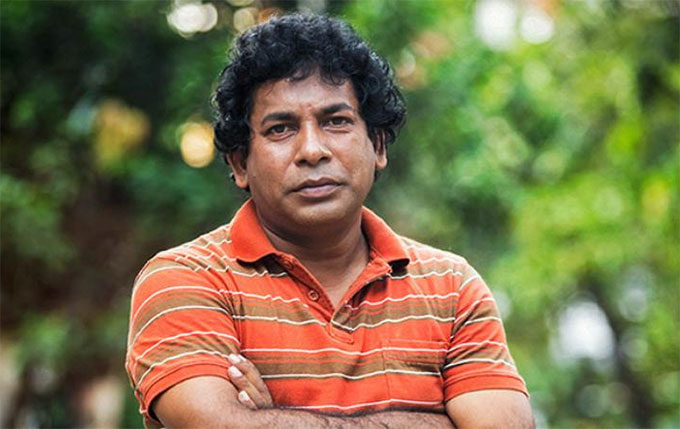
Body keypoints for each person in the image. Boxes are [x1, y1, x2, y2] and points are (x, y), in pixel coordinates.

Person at [125, 13, 534, 428]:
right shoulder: (186, 280)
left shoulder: (451, 288)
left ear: (377, 146)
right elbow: (214, 424)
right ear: (240, 163)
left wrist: (270, 418)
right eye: (280, 128)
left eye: (336, 121)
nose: (312, 150)